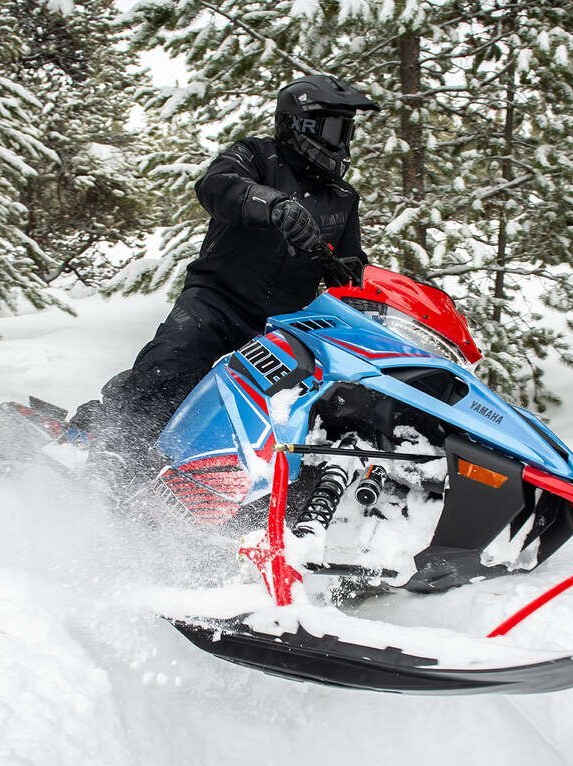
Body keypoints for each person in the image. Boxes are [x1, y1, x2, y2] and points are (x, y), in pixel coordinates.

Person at [79, 75, 380, 488]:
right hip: (217, 301)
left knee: (297, 410)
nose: (343, 142)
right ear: (302, 125)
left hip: (280, 328)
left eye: (346, 131)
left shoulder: (342, 198)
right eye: (334, 130)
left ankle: (246, 493)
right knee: (176, 356)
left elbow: (351, 269)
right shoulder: (255, 156)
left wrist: (356, 282)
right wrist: (272, 205)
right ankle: (113, 450)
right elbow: (217, 186)